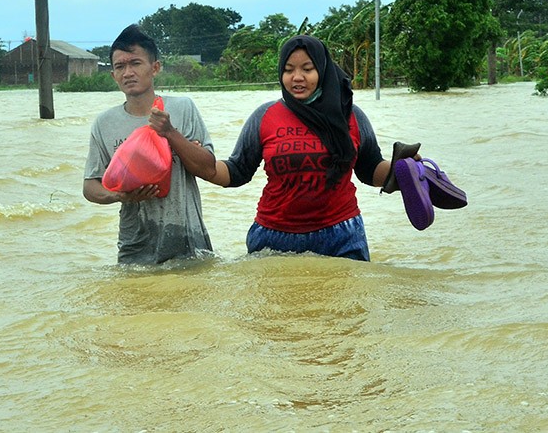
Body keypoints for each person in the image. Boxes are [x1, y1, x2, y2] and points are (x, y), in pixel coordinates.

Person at [206, 35, 405, 261]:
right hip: (273, 237)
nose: (297, 78)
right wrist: (198, 161)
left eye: (307, 69)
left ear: (322, 70)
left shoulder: (350, 115)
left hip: (341, 235)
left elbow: (370, 170)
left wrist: (405, 170)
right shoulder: (265, 116)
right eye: (289, 70)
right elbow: (237, 171)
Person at [82, 24, 216, 264]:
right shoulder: (105, 123)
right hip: (136, 247)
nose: (128, 72)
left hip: (188, 241)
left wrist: (170, 133)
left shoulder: (182, 109)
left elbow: (208, 168)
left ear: (155, 68)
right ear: (113, 75)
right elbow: (90, 186)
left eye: (135, 63)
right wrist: (120, 196)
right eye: (120, 66)